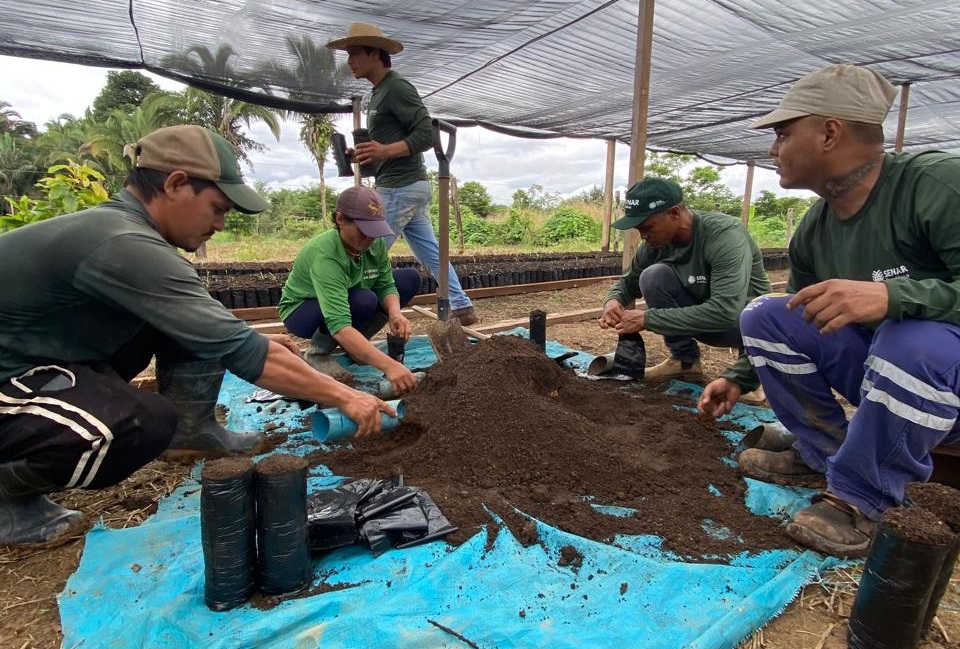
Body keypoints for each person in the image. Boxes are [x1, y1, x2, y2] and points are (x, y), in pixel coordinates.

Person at [0, 125, 392, 548]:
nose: (220, 225)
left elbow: (212, 327)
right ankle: (7, 497)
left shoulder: (126, 233)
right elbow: (242, 352)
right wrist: (346, 396)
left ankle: (190, 431)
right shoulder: (122, 242)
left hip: (36, 359)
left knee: (194, 322)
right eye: (217, 208)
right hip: (12, 377)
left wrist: (241, 336)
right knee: (136, 424)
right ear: (175, 184)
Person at [698, 64, 960, 557]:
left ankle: (862, 498)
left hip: (943, 383)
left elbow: (905, 313)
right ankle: (826, 454)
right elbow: (798, 316)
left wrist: (894, 298)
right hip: (892, 379)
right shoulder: (816, 228)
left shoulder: (936, 186)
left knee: (911, 337)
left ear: (829, 132)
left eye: (782, 134)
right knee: (766, 313)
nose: (773, 150)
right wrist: (738, 377)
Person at [325, 22, 478, 326]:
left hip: (400, 188)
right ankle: (462, 306)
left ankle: (344, 321)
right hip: (406, 186)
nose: (350, 61)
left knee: (365, 248)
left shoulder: (396, 87)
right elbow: (390, 143)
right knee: (430, 252)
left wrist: (383, 151)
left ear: (375, 53)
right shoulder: (379, 93)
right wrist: (364, 154)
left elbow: (424, 134)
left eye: (355, 53)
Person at [599, 177, 771, 383]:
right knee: (652, 276)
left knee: (756, 314)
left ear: (674, 213)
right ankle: (684, 361)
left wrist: (647, 319)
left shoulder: (724, 235)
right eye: (638, 229)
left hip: (747, 327)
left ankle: (757, 373)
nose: (643, 235)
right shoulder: (655, 245)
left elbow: (726, 312)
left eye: (647, 227)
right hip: (701, 320)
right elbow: (628, 282)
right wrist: (612, 300)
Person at [278, 186, 420, 397]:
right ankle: (317, 354)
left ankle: (358, 350)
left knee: (409, 278)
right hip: (302, 310)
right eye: (363, 231)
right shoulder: (327, 256)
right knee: (363, 299)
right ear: (340, 219)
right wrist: (390, 367)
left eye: (374, 231)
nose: (369, 239)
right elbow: (340, 325)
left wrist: (395, 313)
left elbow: (385, 283)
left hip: (349, 297)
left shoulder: (374, 242)